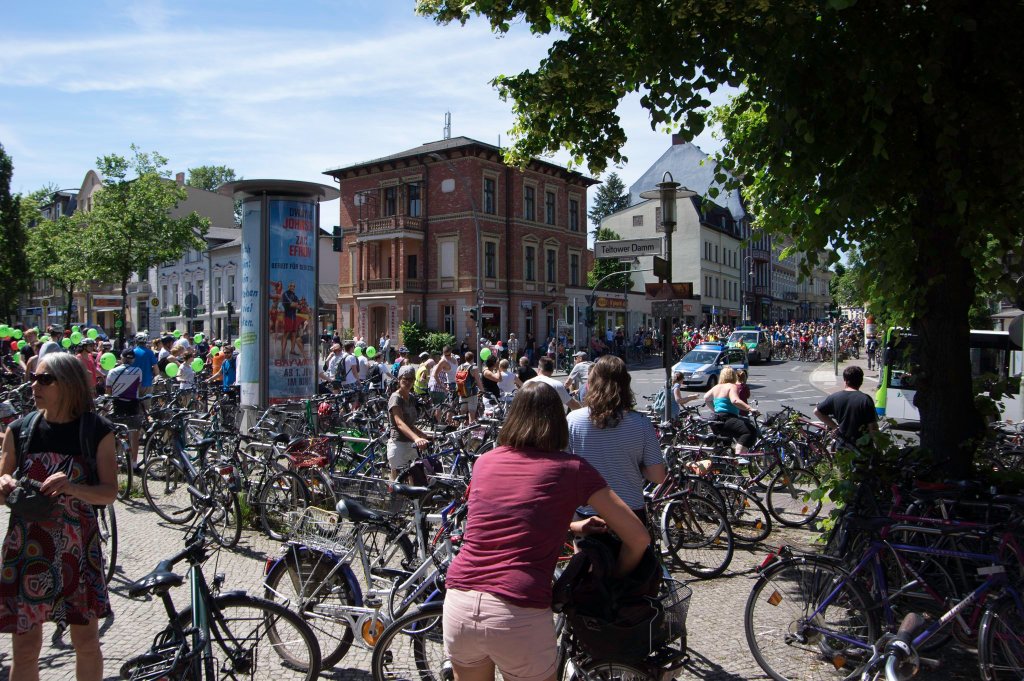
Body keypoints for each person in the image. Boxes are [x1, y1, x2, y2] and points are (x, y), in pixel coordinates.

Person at [442, 381, 651, 681]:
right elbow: (638, 537)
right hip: (517, 611)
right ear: (558, 422)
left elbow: (512, 519)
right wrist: (615, 577)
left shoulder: (485, 462)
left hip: (459, 604)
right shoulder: (572, 469)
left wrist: (574, 526)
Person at [0, 352, 118, 681]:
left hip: (78, 552)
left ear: (68, 384)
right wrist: (4, 483)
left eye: (44, 379)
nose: (34, 385)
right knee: (24, 650)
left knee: (87, 642)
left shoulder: (96, 431)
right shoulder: (20, 430)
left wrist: (73, 488)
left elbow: (109, 492)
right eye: (33, 378)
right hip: (27, 550)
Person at [567, 355, 665, 523]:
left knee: (587, 549)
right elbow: (658, 476)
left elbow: (564, 472)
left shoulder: (573, 420)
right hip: (630, 511)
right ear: (626, 385)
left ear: (591, 384)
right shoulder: (642, 423)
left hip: (587, 513)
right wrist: (635, 465)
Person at [814, 365, 879, 448]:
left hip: (842, 446)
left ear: (845, 380)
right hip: (862, 449)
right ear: (861, 381)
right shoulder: (865, 399)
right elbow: (873, 427)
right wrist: (878, 447)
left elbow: (817, 411)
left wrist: (835, 426)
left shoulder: (835, 397)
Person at [386, 371, 432, 480]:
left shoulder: (411, 398)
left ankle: (414, 497)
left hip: (411, 444)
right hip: (399, 443)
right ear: (399, 379)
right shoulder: (396, 397)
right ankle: (393, 496)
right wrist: (417, 438)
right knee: (398, 481)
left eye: (411, 380)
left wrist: (423, 436)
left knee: (415, 478)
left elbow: (410, 424)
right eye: (405, 379)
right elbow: (400, 423)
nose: (408, 382)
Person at [703, 366, 759, 455]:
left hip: (715, 420)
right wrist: (750, 408)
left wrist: (714, 409)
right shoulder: (732, 386)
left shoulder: (717, 387)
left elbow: (706, 398)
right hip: (727, 418)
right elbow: (735, 400)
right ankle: (739, 457)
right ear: (733, 376)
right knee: (750, 431)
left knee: (726, 444)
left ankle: (724, 464)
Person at [105, 348, 144, 469]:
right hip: (133, 404)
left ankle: (115, 459)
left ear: (121, 358)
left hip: (118, 404)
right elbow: (139, 386)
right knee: (134, 434)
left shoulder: (112, 372)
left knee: (114, 432)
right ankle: (133, 463)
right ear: (133, 360)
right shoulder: (138, 371)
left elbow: (108, 391)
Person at [456, 352, 484, 424]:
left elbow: (457, 380)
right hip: (472, 394)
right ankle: (470, 432)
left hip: (462, 393)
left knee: (462, 415)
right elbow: (478, 381)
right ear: (473, 358)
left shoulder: (459, 367)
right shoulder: (474, 368)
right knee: (472, 415)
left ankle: (461, 429)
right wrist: (482, 390)